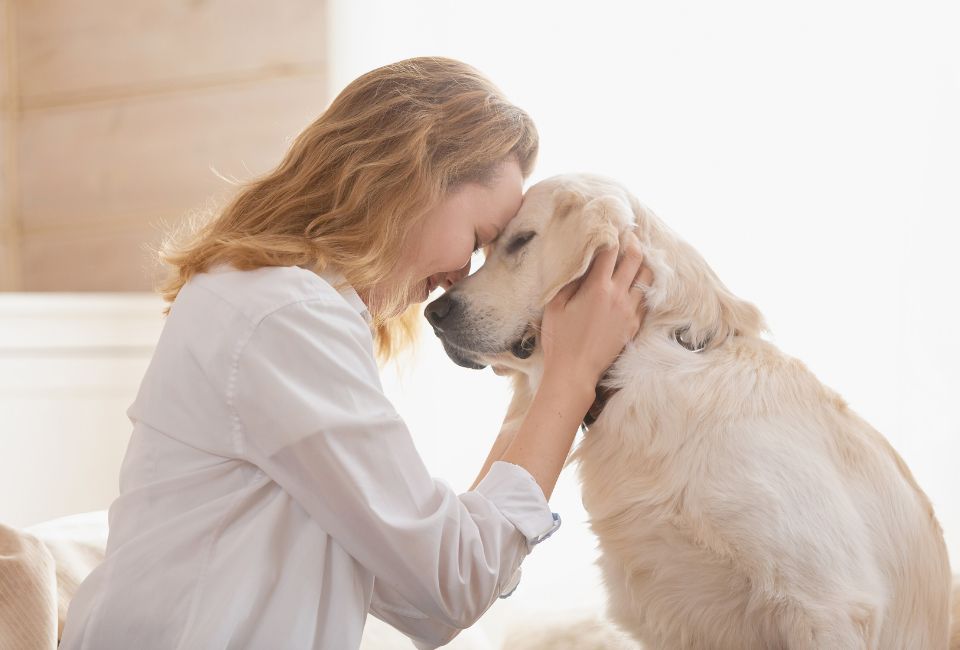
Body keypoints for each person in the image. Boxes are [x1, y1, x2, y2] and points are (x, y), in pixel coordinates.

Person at [59, 56, 651, 649]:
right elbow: (454, 581)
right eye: (477, 240)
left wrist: (541, 382)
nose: (459, 278)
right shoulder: (284, 314)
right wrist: (569, 382)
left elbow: (429, 604)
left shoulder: (271, 301)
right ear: (413, 179)